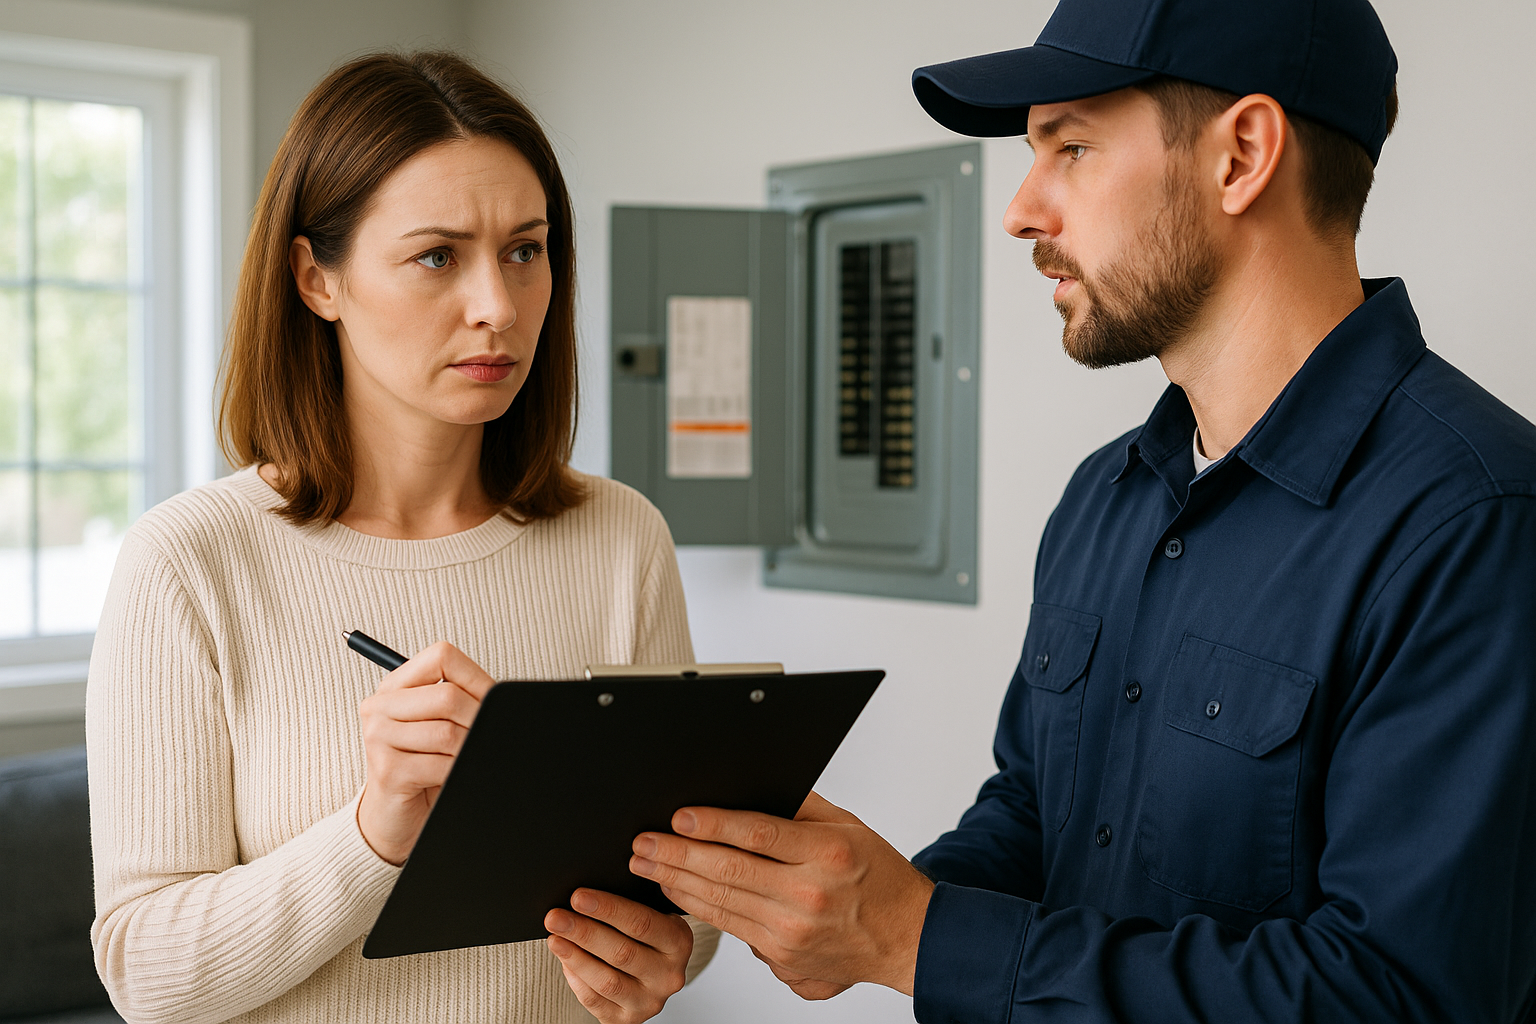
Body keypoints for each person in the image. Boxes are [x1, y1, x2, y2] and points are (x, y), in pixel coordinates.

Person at [627, 0, 1536, 1021]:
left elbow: (1398, 996)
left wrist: (918, 938)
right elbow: (1038, 811)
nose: (1020, 209)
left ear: (1241, 155)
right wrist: (843, 903)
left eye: (1071, 148)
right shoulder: (1108, 495)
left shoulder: (1477, 520)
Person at [86, 51, 714, 1024]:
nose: (498, 306)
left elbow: (680, 895)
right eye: (437, 255)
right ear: (316, 278)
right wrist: (375, 833)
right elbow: (148, 977)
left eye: (525, 249)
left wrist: (665, 949)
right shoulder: (188, 563)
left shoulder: (621, 537)